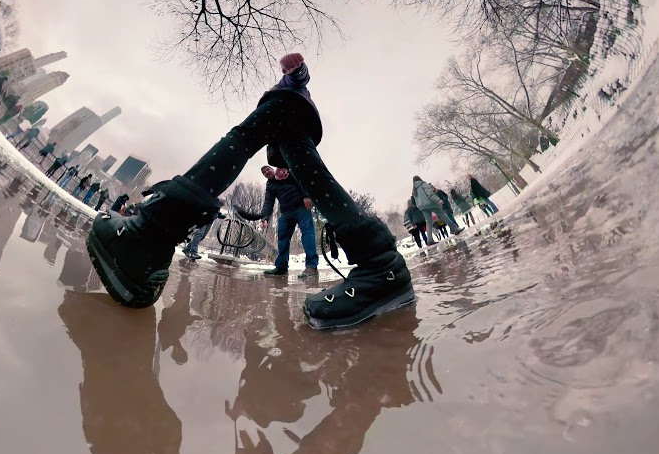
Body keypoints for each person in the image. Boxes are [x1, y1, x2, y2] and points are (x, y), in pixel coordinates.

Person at [86, 52, 414, 330]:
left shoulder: (294, 83)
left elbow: (299, 74)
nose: (285, 70)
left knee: (244, 135)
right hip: (298, 119)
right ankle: (381, 266)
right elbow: (273, 196)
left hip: (289, 106)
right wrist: (260, 214)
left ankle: (149, 235)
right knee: (305, 165)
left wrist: (293, 76)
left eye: (288, 69)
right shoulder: (277, 169)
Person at [237, 165, 318, 279]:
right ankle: (281, 267)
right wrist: (264, 218)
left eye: (267, 169)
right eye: (264, 172)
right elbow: (268, 202)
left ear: (272, 169)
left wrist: (306, 196)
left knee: (307, 234)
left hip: (301, 207)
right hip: (285, 212)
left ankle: (311, 266)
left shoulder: (286, 173)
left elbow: (301, 180)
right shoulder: (270, 185)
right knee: (282, 239)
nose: (266, 171)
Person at [412, 176, 462, 240]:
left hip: (422, 207)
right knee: (443, 215)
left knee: (428, 222)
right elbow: (430, 194)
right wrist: (438, 200)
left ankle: (429, 239)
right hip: (430, 204)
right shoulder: (423, 184)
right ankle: (455, 229)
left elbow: (415, 201)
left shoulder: (414, 190)